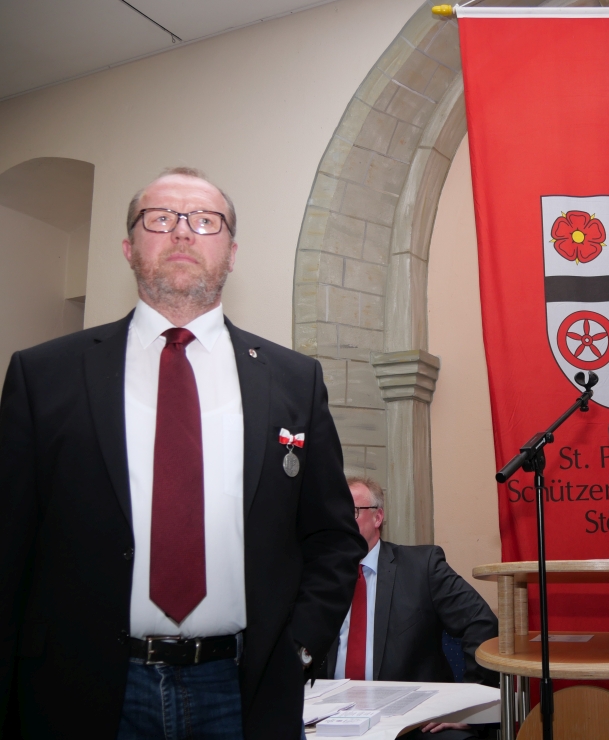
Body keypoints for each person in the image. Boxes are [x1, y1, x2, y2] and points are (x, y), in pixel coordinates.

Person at [0, 167, 366, 739]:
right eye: (160, 218)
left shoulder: (295, 380)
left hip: (242, 689)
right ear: (128, 248)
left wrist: (295, 648)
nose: (182, 231)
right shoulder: (43, 374)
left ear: (232, 253)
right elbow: (10, 542)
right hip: (81, 687)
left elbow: (332, 537)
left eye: (204, 220)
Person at [317, 477, 499, 739]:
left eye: (352, 511)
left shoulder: (421, 566)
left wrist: (468, 707)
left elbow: (481, 623)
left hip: (412, 720)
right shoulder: (320, 575)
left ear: (378, 517)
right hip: (331, 716)